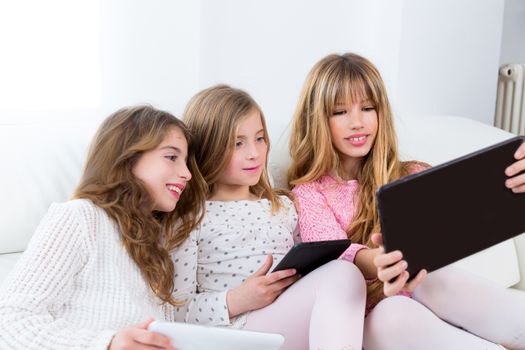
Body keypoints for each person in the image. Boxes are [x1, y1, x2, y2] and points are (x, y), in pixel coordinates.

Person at [288, 52, 525, 350]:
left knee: (433, 277)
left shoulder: (409, 174)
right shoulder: (309, 193)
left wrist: (509, 184)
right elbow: (335, 255)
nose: (358, 122)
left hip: (431, 304)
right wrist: (380, 262)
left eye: (368, 108)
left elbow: (463, 219)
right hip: (373, 320)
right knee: (394, 312)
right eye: (340, 112)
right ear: (319, 120)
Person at [172, 84, 367, 349]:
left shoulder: (283, 206)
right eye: (238, 143)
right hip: (239, 331)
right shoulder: (190, 218)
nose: (254, 153)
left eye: (260, 138)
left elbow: (315, 277)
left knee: (344, 274)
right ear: (207, 149)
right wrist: (239, 299)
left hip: (289, 321)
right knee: (344, 274)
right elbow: (176, 312)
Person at [0, 106, 207, 350]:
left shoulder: (156, 245)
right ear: (128, 158)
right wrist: (106, 344)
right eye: (171, 157)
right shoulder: (80, 218)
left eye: (185, 162)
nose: (187, 174)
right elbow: (10, 319)